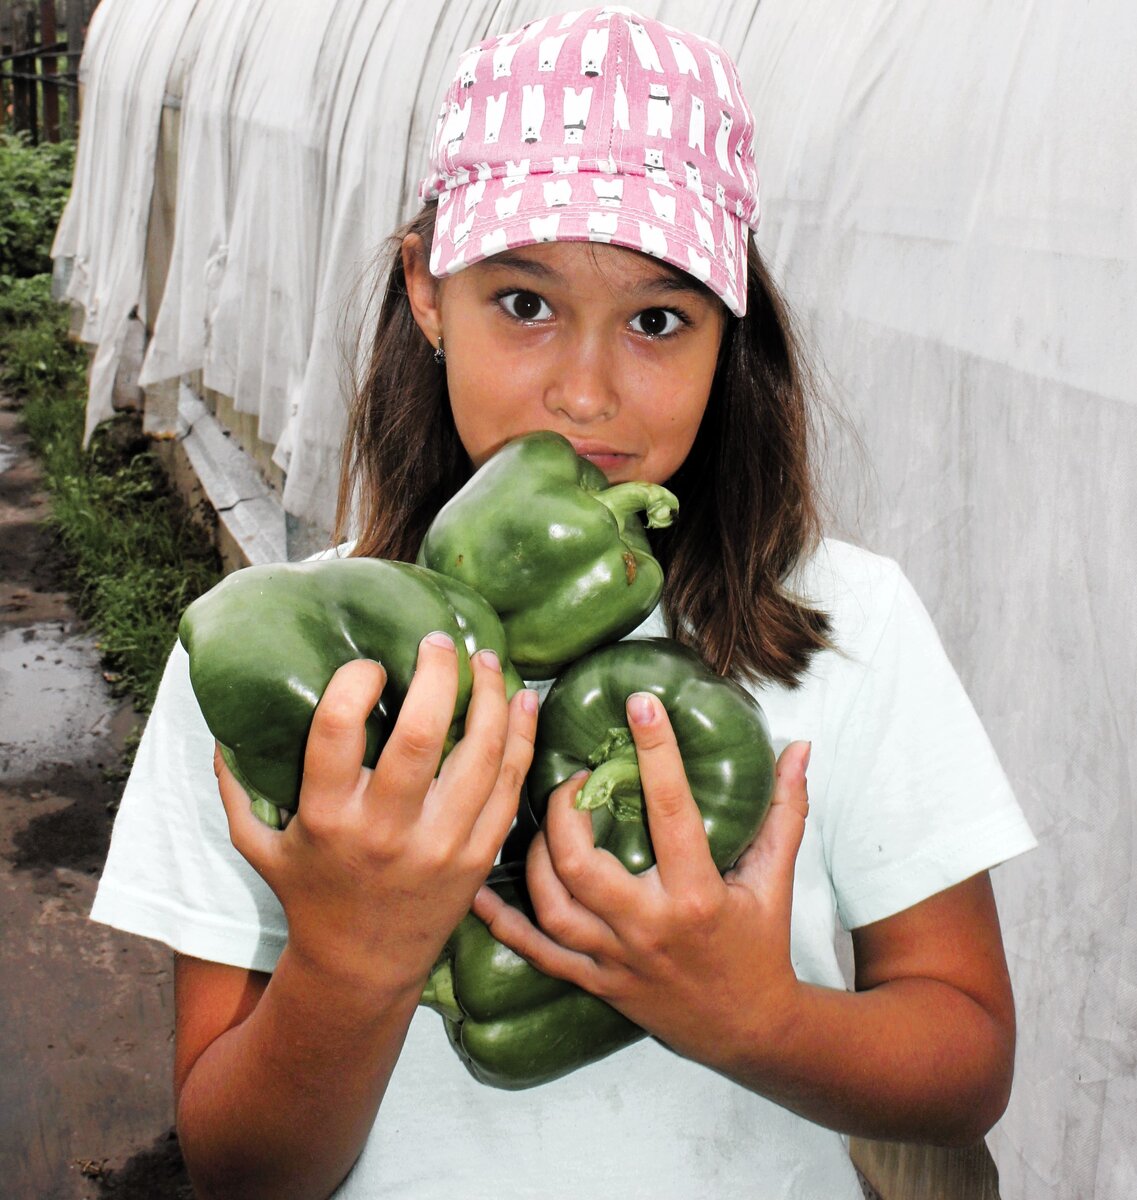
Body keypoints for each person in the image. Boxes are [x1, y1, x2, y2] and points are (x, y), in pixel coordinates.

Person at [91, 8, 1037, 1198]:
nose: (585, 395)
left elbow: (967, 1064)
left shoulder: (848, 625)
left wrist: (753, 1018)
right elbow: (240, 1170)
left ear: (728, 332)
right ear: (427, 292)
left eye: (657, 320)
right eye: (525, 304)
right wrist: (349, 960)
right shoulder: (269, 655)